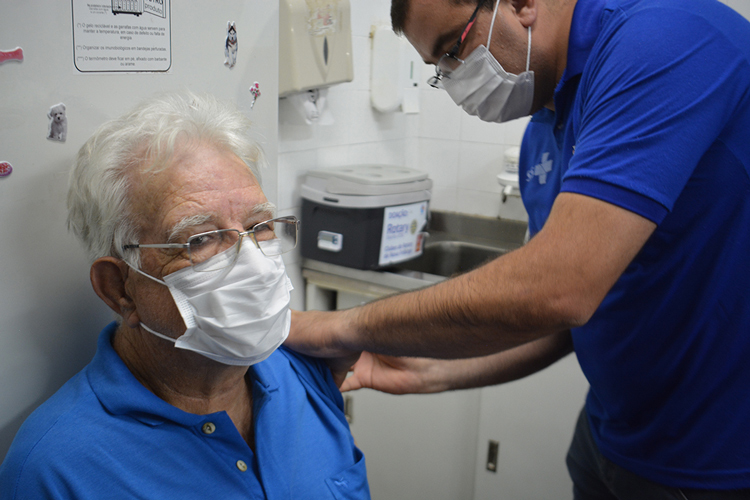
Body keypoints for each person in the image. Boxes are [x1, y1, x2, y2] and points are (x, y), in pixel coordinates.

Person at [286, 0, 750, 497]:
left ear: (522, 4)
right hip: (611, 435)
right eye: (439, 68)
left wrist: (341, 327)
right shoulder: (544, 132)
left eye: (453, 48)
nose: (454, 78)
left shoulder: (666, 40)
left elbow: (559, 287)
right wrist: (429, 369)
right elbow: (563, 321)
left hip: (710, 457)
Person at [0, 91, 370, 500]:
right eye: (201, 239)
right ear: (120, 288)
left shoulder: (305, 373)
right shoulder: (54, 471)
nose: (253, 263)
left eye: (260, 226)